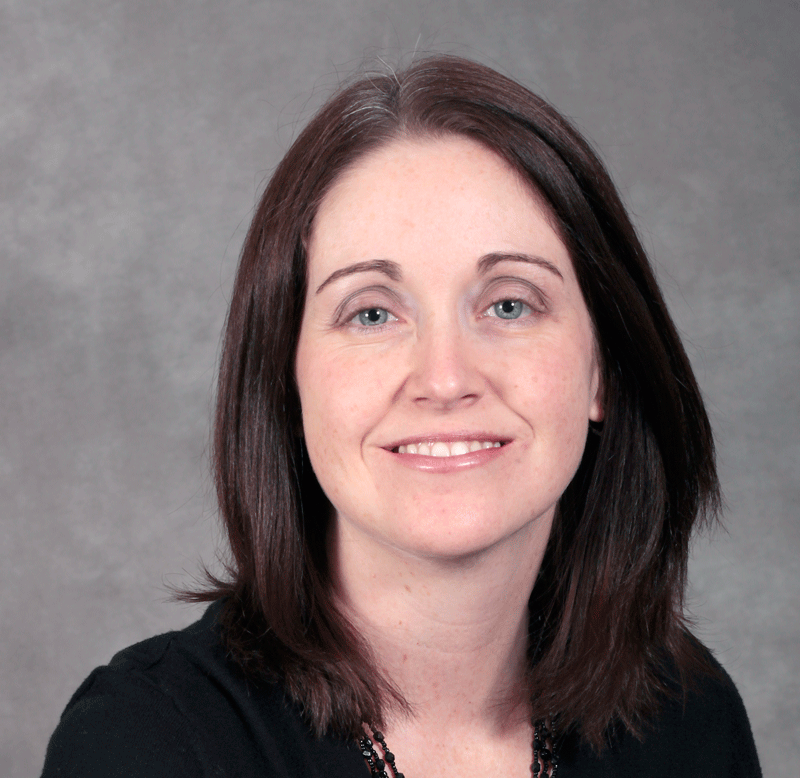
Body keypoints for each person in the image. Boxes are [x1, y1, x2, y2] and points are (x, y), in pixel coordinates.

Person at [42, 55, 761, 777]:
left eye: (509, 304)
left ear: (602, 368)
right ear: (287, 383)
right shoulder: (142, 744)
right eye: (372, 313)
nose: (444, 378)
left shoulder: (688, 720)